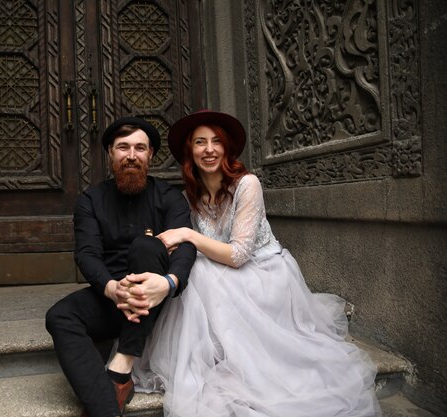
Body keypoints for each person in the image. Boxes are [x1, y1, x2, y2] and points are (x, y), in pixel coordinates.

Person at [131, 110, 381, 417]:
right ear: (190, 151)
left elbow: (238, 256)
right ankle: (208, 358)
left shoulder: (247, 184)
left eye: (216, 142)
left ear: (227, 148)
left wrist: (187, 235)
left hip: (263, 274)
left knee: (199, 271)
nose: (209, 149)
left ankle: (232, 360)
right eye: (200, 142)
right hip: (219, 277)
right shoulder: (188, 197)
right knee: (193, 270)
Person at [45, 117, 197, 417]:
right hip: (115, 296)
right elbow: (87, 254)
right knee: (60, 316)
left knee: (145, 245)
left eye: (140, 148)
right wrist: (112, 289)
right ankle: (107, 408)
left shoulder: (169, 198)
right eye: (123, 147)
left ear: (150, 155)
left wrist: (168, 282)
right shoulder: (91, 200)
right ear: (110, 154)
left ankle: (122, 364)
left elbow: (186, 249)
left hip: (159, 302)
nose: (131, 155)